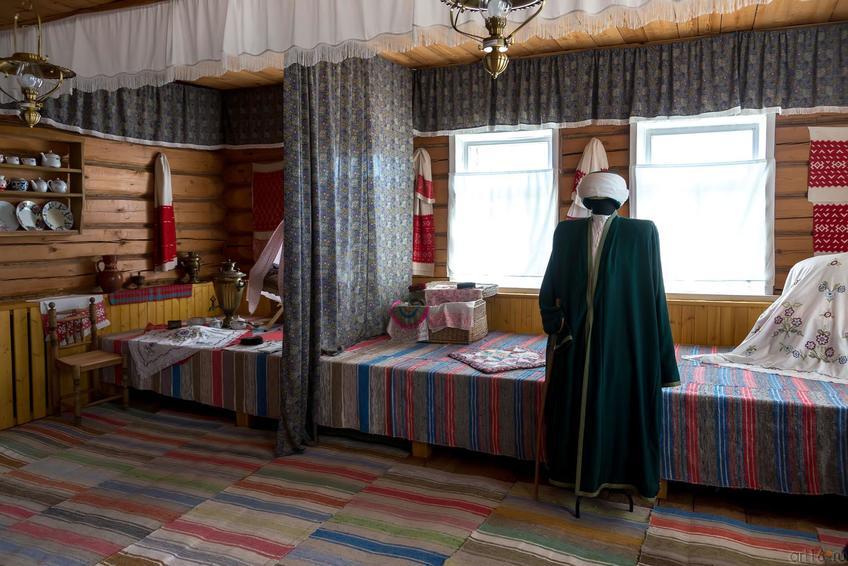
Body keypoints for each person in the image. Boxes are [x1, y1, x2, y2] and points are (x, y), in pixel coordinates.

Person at [539, 171, 679, 501]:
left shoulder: (641, 232)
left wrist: (660, 357)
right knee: (574, 409)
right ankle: (573, 474)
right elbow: (551, 283)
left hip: (625, 341)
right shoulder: (567, 233)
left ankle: (617, 475)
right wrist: (557, 324)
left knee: (619, 407)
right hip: (574, 342)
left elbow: (653, 293)